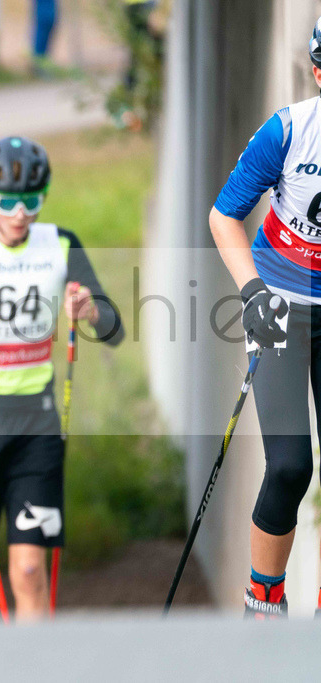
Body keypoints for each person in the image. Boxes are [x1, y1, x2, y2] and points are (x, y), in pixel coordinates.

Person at [0, 136, 124, 622]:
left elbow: (113, 328)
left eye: (31, 201)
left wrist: (89, 309)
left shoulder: (60, 243)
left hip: (36, 424)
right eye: (7, 201)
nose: (19, 213)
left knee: (30, 571)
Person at [208, 17, 321, 620]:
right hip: (279, 300)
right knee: (290, 466)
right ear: (318, 72)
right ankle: (263, 598)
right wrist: (252, 291)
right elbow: (225, 217)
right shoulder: (287, 132)